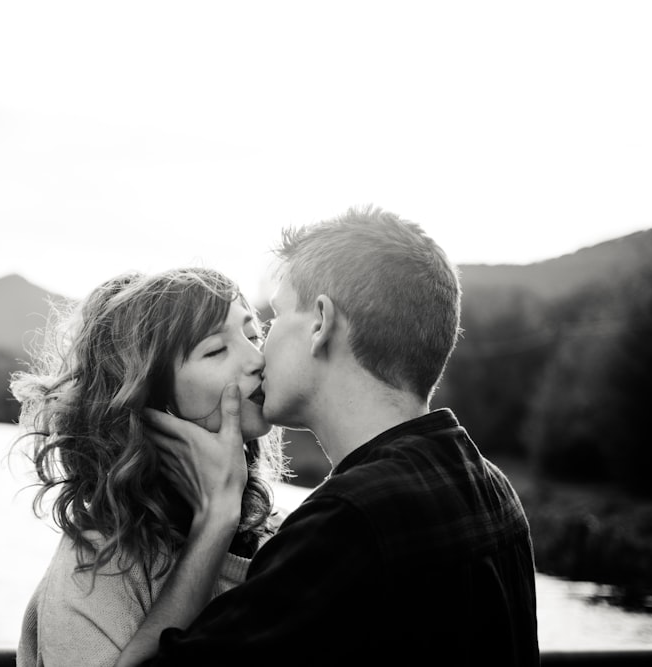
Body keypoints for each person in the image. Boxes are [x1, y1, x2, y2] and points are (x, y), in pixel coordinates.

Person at [117, 205, 540, 666]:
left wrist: (216, 517)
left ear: (320, 322)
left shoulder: (349, 524)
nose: (260, 353)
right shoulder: (493, 490)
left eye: (274, 319)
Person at [9, 267, 288, 667]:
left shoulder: (286, 537)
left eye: (252, 335)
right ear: (153, 402)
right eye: (215, 350)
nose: (257, 359)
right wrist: (214, 523)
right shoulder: (96, 568)